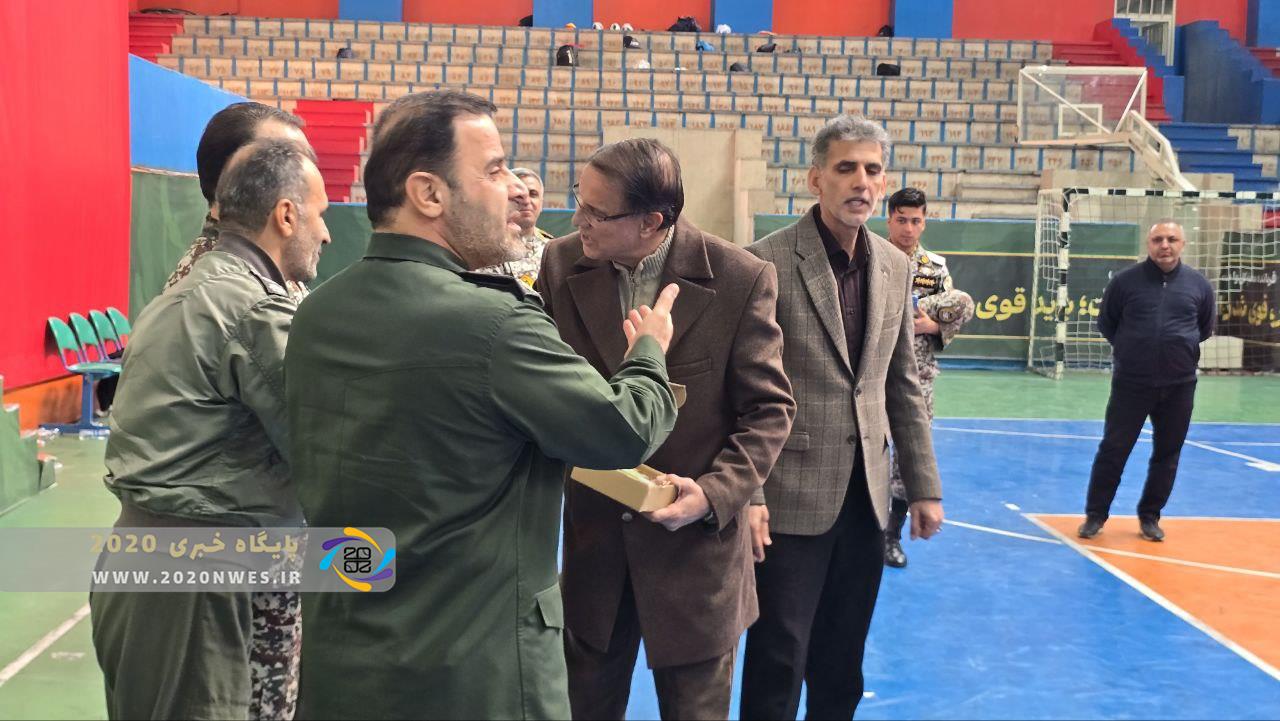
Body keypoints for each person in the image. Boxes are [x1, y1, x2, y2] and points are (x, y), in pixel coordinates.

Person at [285, 90, 681, 720]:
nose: (514, 190)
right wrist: (649, 352)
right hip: (477, 674)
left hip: (346, 665)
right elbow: (622, 431)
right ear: (429, 194)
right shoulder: (494, 324)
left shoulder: (318, 314)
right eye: (494, 171)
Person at [537, 138, 796, 720]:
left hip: (696, 561)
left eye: (597, 213)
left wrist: (714, 494)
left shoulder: (740, 277)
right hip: (594, 551)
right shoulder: (559, 264)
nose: (578, 222)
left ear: (652, 221)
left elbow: (769, 409)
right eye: (579, 202)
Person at [91, 138, 330, 721]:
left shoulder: (194, 289)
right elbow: (323, 447)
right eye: (321, 214)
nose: (326, 234)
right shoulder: (251, 309)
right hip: (195, 574)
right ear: (286, 215)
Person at [740, 115, 945, 720]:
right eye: (846, 167)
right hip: (789, 496)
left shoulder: (895, 267)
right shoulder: (764, 264)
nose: (861, 181)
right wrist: (750, 494)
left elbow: (900, 385)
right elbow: (741, 391)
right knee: (778, 657)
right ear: (815, 179)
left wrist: (924, 487)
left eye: (873, 170)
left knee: (843, 661)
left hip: (867, 499)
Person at [159, 100, 313, 721]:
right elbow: (304, 425)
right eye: (281, 158)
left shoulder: (263, 269)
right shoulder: (228, 286)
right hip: (230, 557)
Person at [1078, 219, 1215, 542]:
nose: (1164, 245)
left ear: (1182, 244)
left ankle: (1150, 517)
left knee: (1168, 453)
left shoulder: (1199, 285)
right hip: (1131, 384)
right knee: (1113, 449)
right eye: (1158, 239)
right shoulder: (1125, 282)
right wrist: (1134, 351)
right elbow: (1107, 324)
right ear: (1148, 244)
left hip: (1179, 385)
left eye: (1171, 239)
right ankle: (1095, 515)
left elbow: (1204, 328)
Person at [882, 188, 974, 568]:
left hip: (917, 374)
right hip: (871, 371)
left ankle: (891, 537)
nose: (908, 228)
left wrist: (931, 326)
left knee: (908, 457)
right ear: (889, 219)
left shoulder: (935, 268)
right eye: (901, 219)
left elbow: (958, 308)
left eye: (915, 221)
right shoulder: (869, 256)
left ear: (924, 223)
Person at [480, 167, 555, 287]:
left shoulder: (553, 250)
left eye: (533, 194)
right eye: (519, 195)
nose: (526, 201)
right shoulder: (484, 246)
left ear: (541, 203)